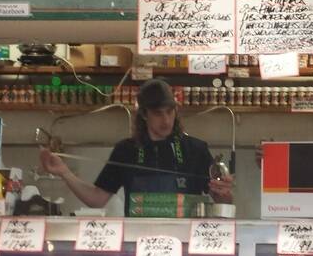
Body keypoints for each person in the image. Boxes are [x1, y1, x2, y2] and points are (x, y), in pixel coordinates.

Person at [39, 78, 233, 213]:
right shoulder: (126, 150)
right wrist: (64, 172)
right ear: (144, 114)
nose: (166, 120)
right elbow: (97, 199)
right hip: (139, 243)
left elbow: (223, 201)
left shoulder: (195, 149)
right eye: (158, 113)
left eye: (169, 112)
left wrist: (224, 192)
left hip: (185, 245)